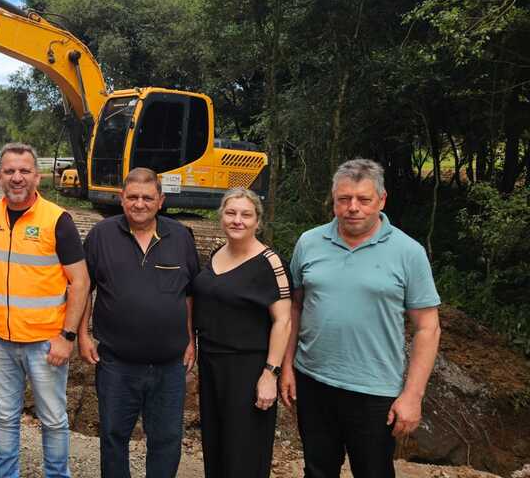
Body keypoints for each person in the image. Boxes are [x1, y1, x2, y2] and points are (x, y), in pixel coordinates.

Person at [280, 158, 441, 478]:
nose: (353, 207)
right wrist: (287, 366)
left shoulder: (408, 252)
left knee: (373, 471)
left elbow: (427, 327)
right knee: (318, 469)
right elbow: (294, 308)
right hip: (313, 382)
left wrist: (412, 395)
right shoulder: (309, 242)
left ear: (381, 200)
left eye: (363, 199)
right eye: (344, 199)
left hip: (375, 391)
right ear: (334, 199)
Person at [79, 167, 200, 478]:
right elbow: (83, 288)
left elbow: (189, 294)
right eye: (132, 197)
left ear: (160, 200)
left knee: (166, 440)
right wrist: (82, 334)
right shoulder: (101, 235)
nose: (139, 203)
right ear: (122, 199)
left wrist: (191, 341)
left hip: (169, 366)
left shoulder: (181, 237)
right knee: (113, 437)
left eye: (147, 197)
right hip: (117, 364)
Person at [0, 142, 90, 478]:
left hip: (46, 343)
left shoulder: (58, 220)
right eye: (10, 171)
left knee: (54, 419)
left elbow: (81, 283)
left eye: (24, 171)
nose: (17, 178)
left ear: (37, 176)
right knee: (4, 416)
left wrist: (67, 337)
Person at [192, 187, 291, 478]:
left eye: (246, 215)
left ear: (257, 221)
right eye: (231, 213)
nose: (238, 220)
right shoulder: (215, 254)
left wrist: (270, 374)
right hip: (211, 363)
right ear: (221, 215)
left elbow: (283, 322)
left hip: (249, 368)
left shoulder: (270, 263)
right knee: (216, 445)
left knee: (244, 451)